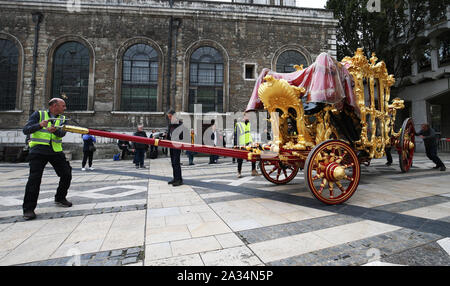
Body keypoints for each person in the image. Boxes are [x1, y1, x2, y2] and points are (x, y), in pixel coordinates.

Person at [22, 98, 73, 220]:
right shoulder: (38, 114)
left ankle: (60, 198)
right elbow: (26, 130)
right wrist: (40, 125)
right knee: (34, 179)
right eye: (63, 105)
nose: (64, 108)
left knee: (66, 173)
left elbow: (62, 133)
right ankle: (28, 209)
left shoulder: (62, 118)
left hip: (55, 151)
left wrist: (55, 131)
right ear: (54, 106)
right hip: (38, 151)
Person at [235, 112, 258, 178]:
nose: (248, 117)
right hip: (241, 143)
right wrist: (236, 145)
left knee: (253, 156)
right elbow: (236, 135)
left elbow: (250, 133)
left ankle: (253, 171)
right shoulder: (238, 124)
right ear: (243, 116)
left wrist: (253, 141)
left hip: (249, 142)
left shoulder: (249, 123)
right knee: (240, 158)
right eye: (247, 116)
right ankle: (239, 172)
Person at [167, 109, 184, 186]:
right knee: (173, 163)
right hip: (171, 145)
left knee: (176, 163)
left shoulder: (179, 124)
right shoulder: (170, 124)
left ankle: (179, 180)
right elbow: (169, 133)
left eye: (170, 116)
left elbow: (181, 135)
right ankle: (175, 178)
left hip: (177, 145)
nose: (169, 118)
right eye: (168, 117)